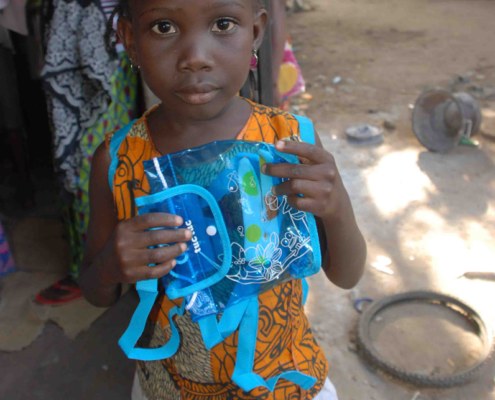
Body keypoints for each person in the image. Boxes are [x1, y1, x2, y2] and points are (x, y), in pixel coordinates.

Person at [80, 1, 367, 399]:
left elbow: (347, 276)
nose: (195, 57)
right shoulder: (117, 162)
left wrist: (337, 208)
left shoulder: (289, 142)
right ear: (130, 40)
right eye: (163, 27)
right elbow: (95, 291)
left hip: (287, 382)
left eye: (223, 23)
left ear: (256, 32)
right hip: (171, 387)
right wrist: (111, 264)